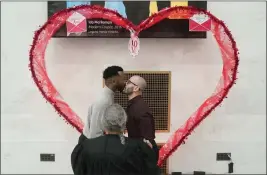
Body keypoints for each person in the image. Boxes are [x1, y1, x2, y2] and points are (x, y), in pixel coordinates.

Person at [71, 104, 160, 175]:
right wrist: (151, 150)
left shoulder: (86, 147)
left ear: (103, 123)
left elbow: (78, 170)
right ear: (124, 123)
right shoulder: (139, 148)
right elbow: (152, 170)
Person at [79, 66, 125, 143]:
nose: (125, 83)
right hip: (90, 144)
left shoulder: (108, 96)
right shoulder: (104, 101)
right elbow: (95, 134)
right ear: (114, 81)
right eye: (123, 79)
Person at [123, 75, 158, 160]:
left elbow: (148, 140)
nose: (125, 84)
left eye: (128, 82)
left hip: (142, 158)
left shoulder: (140, 108)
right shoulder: (133, 105)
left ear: (136, 88)